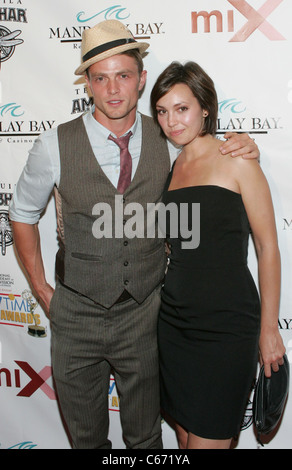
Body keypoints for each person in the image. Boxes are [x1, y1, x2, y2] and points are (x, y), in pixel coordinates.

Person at [9, 20, 259, 449]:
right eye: (100, 77)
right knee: (86, 440)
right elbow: (22, 213)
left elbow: (207, 157)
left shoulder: (168, 139)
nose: (112, 90)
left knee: (146, 439)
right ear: (86, 83)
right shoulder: (53, 145)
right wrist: (42, 290)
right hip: (75, 316)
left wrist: (242, 145)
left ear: (141, 79)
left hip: (146, 314)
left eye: (123, 75)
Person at [150, 61, 286, 450]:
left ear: (205, 108)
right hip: (173, 322)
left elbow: (267, 247)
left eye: (182, 108)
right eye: (162, 111)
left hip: (226, 328)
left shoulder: (238, 158)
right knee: (184, 436)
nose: (172, 121)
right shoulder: (170, 166)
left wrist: (269, 329)